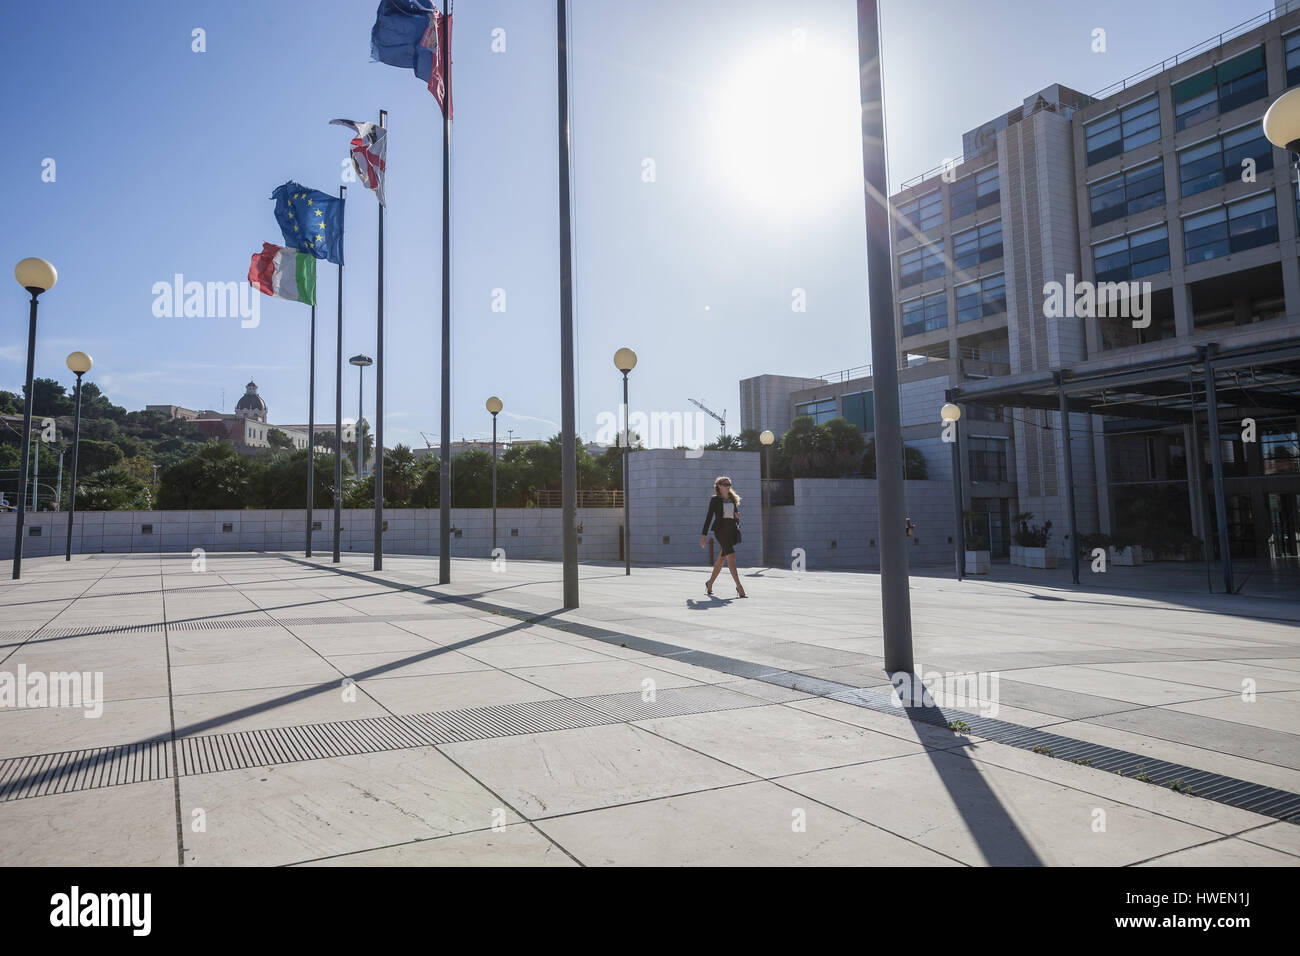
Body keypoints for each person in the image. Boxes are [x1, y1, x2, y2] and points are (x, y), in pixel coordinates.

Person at [700, 475, 746, 598]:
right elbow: (709, 518)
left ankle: (709, 584)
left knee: (721, 559)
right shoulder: (715, 500)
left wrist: (737, 516)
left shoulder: (732, 498)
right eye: (725, 484)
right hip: (720, 531)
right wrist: (703, 535)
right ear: (719, 486)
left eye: (729, 484)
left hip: (731, 530)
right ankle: (739, 587)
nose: (728, 486)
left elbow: (734, 514)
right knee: (731, 555)